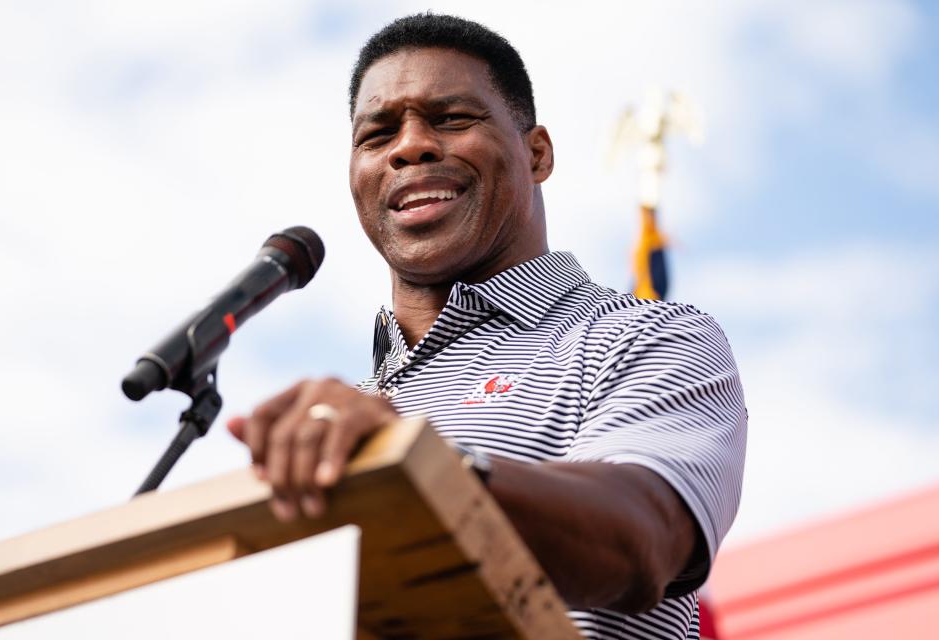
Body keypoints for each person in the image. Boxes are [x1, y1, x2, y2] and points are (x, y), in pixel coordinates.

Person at [226, 13, 746, 640]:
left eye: (450, 118)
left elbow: (645, 539)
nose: (408, 146)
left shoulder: (644, 336)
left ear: (537, 153)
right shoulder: (345, 421)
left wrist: (421, 469)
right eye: (377, 133)